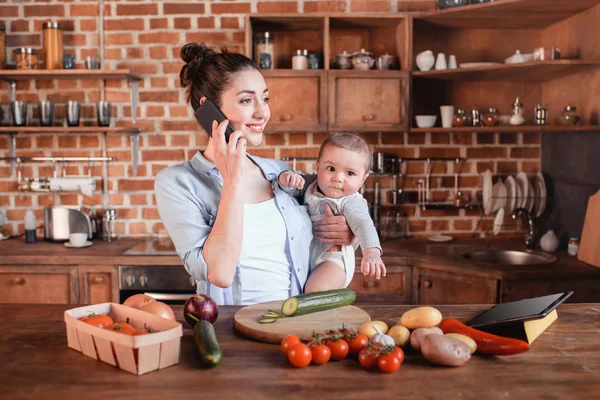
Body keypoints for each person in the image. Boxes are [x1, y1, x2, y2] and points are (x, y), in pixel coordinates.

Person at [154, 43, 354, 305]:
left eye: (265, 98)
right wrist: (232, 180)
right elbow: (220, 273)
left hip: (295, 330)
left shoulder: (281, 174)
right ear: (209, 109)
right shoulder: (178, 184)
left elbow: (325, 238)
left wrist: (348, 231)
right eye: (247, 100)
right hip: (230, 334)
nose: (262, 112)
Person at [278, 133, 386, 293]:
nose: (338, 178)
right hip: (305, 257)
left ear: (363, 179)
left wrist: (371, 253)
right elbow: (290, 190)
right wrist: (286, 179)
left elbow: (363, 224)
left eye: (350, 173)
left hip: (332, 260)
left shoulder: (351, 201)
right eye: (331, 169)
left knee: (315, 291)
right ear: (318, 166)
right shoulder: (310, 183)